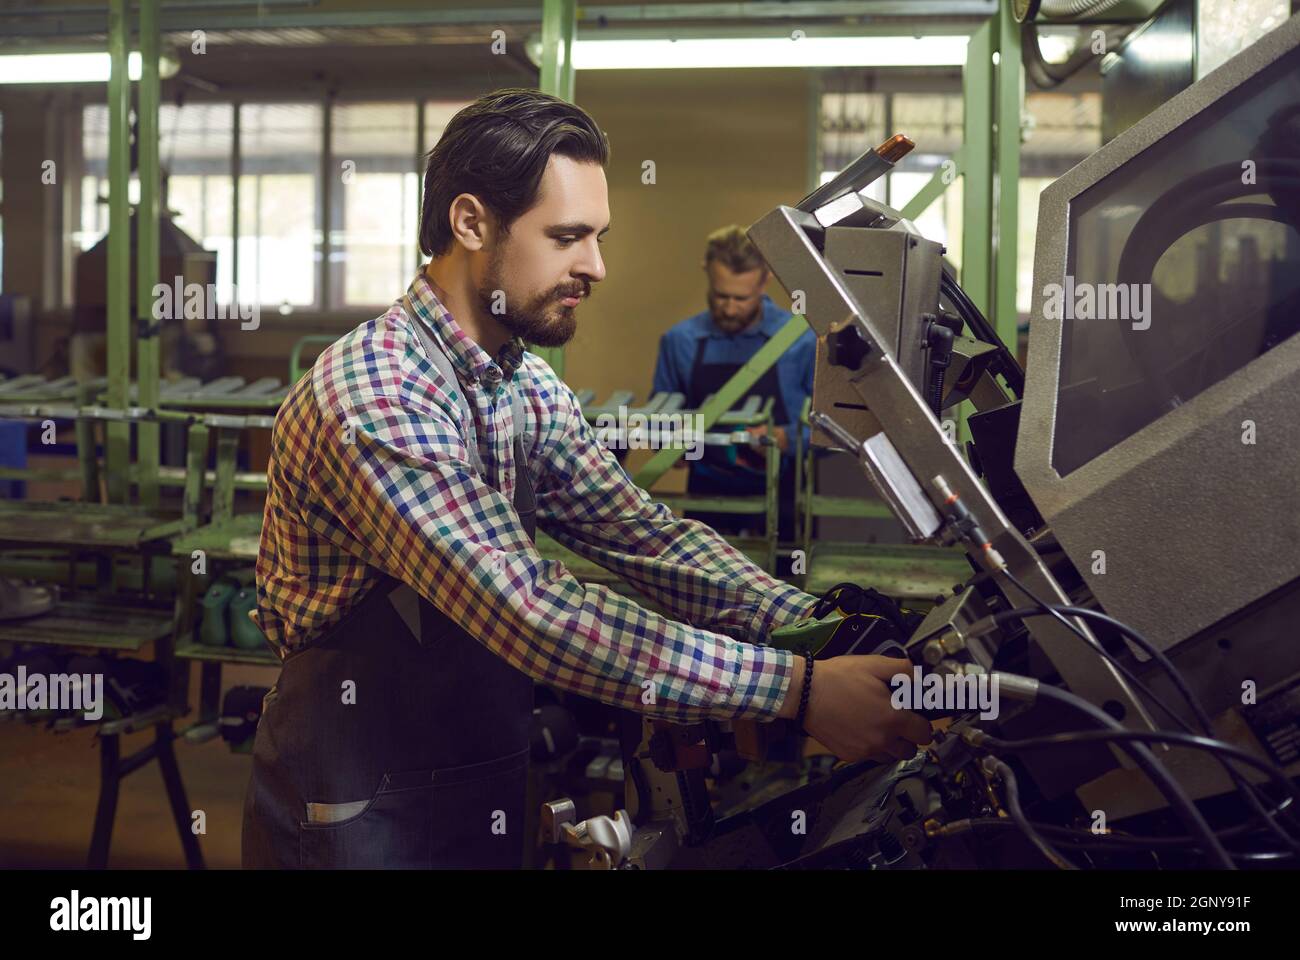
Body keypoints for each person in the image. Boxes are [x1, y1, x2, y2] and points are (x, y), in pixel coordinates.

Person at [242, 88, 930, 869]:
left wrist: (810, 625)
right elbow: (532, 609)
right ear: (471, 223)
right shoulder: (378, 395)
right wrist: (800, 690)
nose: (596, 267)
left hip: (478, 782)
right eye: (567, 237)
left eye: (598, 236)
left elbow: (645, 537)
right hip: (358, 806)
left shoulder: (520, 384)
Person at [652, 226, 815, 544]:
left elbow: (831, 431)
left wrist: (787, 439)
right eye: (720, 295)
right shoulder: (679, 341)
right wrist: (672, 444)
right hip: (705, 503)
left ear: (765, 280)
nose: (729, 308)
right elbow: (660, 421)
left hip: (783, 503)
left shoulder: (800, 341)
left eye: (741, 298)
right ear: (707, 273)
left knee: (786, 586)